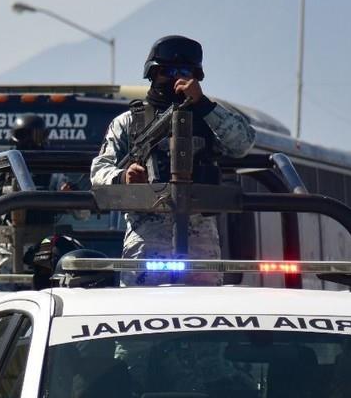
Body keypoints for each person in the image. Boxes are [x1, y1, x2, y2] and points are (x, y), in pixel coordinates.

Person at [90, 35, 255, 281]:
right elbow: (98, 172)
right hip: (146, 236)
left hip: (201, 237)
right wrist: (123, 177)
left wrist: (204, 106)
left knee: (205, 315)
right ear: (153, 75)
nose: (176, 80)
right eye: (167, 72)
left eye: (184, 73)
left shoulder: (209, 120)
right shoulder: (128, 122)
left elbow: (243, 143)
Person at [0, 113, 73, 278]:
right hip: (3, 252)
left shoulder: (53, 173)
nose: (31, 143)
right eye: (26, 137)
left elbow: (82, 213)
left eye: (36, 137)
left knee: (41, 298)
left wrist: (66, 198)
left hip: (41, 252)